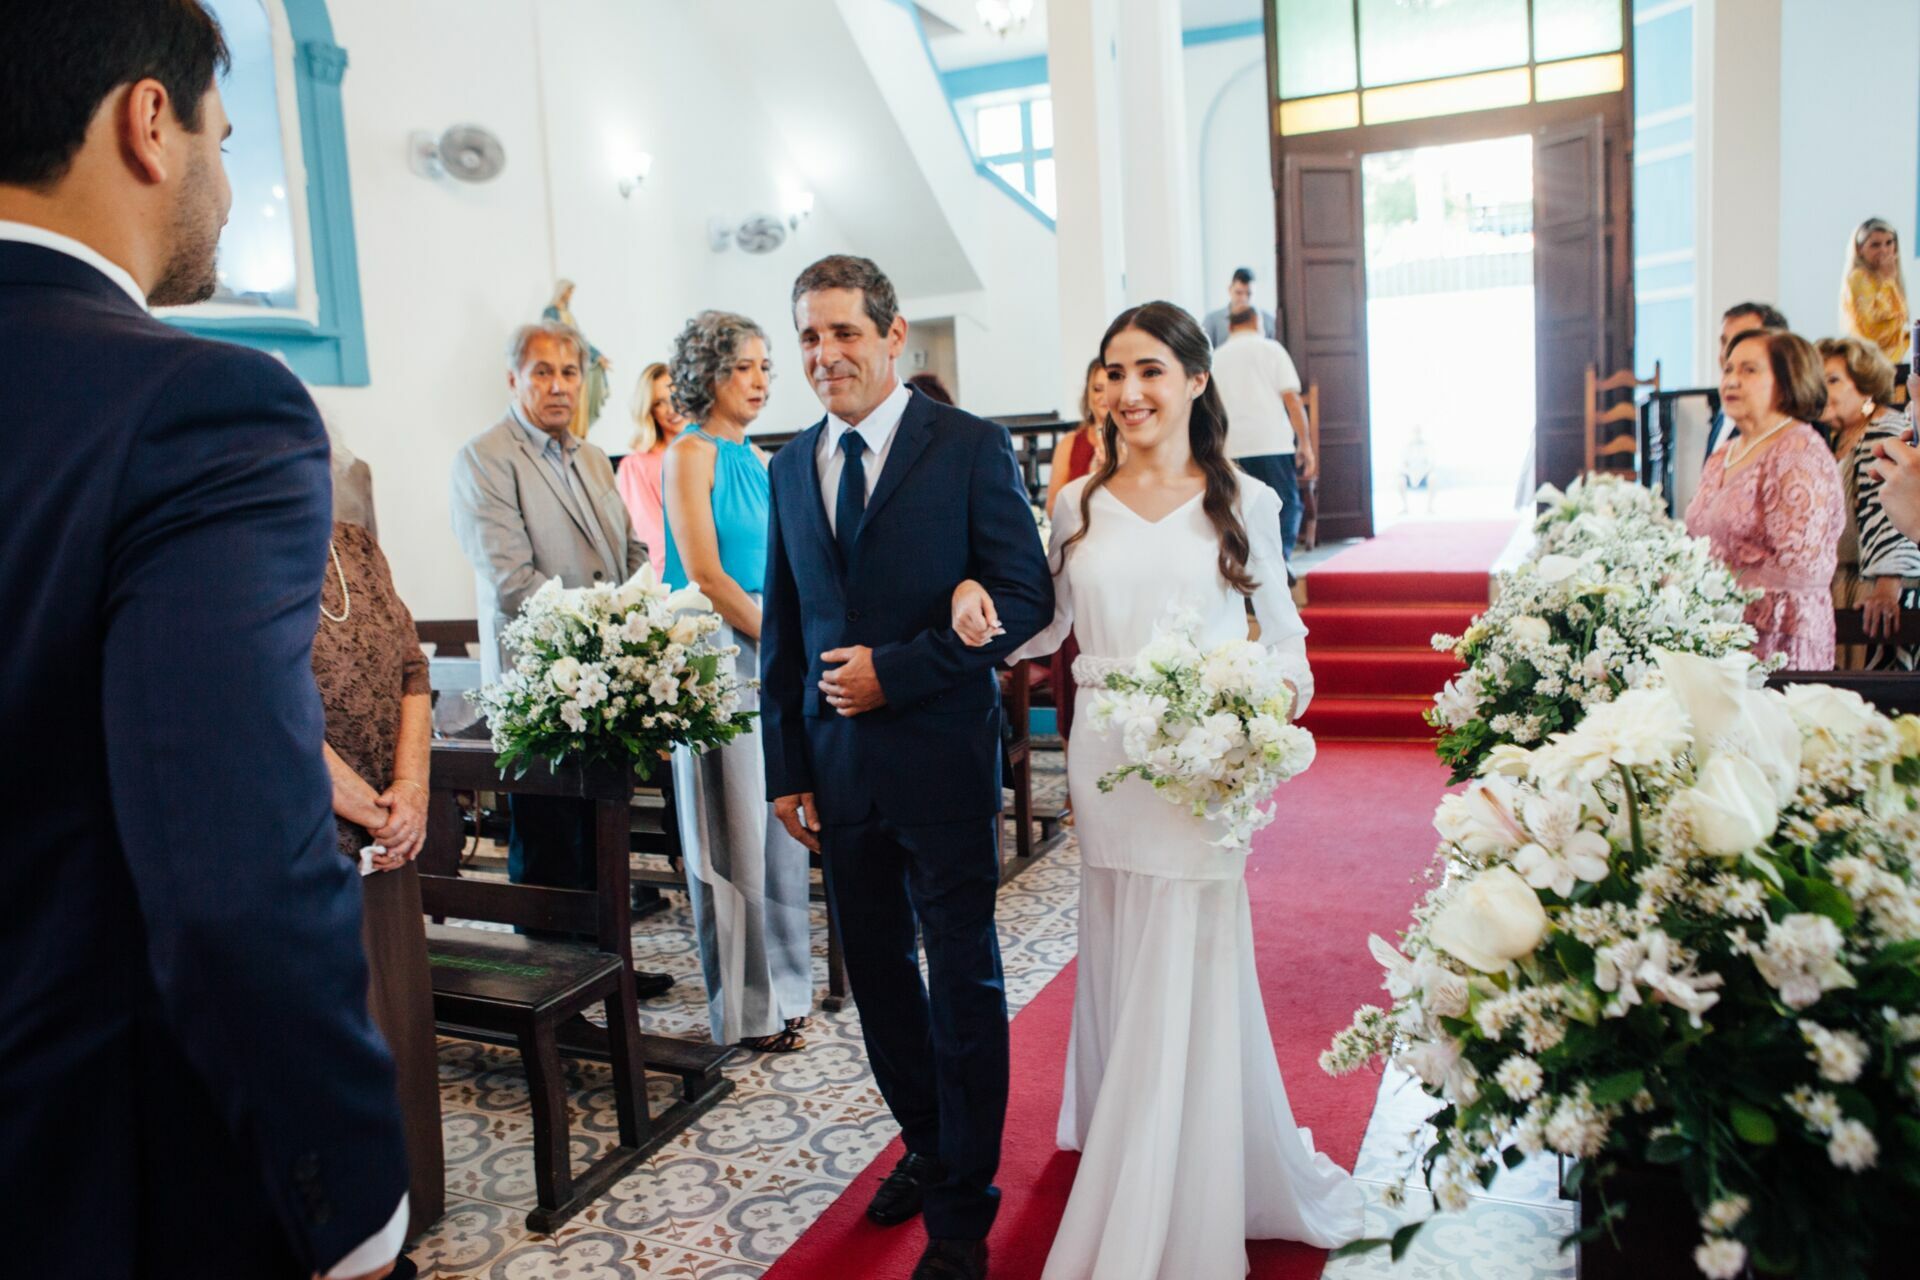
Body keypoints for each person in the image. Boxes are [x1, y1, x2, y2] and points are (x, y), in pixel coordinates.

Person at [0, 3, 408, 1275]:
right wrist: (349, 1197)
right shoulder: (201, 410)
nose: (230, 191)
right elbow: (235, 872)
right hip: (105, 1179)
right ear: (149, 122)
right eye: (228, 143)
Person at [951, 301, 1364, 1280]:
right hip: (1107, 751)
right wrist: (974, 609)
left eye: (1150, 370)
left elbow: (1290, 649)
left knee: (1193, 938)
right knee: (1127, 932)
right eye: (1114, 371)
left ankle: (1182, 1172)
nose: (1129, 391)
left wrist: (1255, 715)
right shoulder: (1075, 503)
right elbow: (1046, 628)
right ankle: (1133, 1130)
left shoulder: (1245, 504)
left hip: (1205, 760)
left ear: (1195, 380)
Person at [760, 255, 1053, 1280]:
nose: (824, 352)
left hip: (938, 760)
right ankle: (929, 1146)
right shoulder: (790, 464)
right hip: (836, 776)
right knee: (879, 979)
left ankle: (965, 1214)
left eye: (844, 331)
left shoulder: (969, 448)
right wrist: (785, 766)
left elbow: (1024, 597)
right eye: (808, 335)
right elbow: (785, 630)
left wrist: (902, 670)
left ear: (893, 336)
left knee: (963, 979)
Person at [448, 322, 673, 996]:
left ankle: (610, 971)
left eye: (569, 372)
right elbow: (513, 578)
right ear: (513, 379)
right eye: (541, 372)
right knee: (550, 845)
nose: (557, 385)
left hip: (605, 683)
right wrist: (607, 631)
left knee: (599, 837)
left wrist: (632, 622)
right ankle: (553, 988)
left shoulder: (590, 455)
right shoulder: (485, 458)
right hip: (540, 685)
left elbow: (633, 553)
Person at [659, 310, 813, 1053]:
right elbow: (706, 574)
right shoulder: (691, 455)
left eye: (764, 367)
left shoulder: (754, 457)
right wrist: (781, 639)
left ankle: (788, 989)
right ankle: (748, 1009)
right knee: (732, 841)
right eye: (743, 366)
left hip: (767, 645)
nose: (758, 381)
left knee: (781, 830)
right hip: (718, 654)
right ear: (709, 373)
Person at [311, 519, 444, 1259]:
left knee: (398, 1020)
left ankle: (414, 1204)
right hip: (309, 839)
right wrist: (370, 809)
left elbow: (411, 673)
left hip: (393, 835)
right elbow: (267, 700)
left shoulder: (355, 543)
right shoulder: (240, 551)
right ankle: (359, 1237)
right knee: (346, 1031)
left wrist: (411, 789)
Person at [1685, 329, 1845, 668]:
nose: (1731, 380)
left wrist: (1719, 590)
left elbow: (1801, 566)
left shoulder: (1799, 448)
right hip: (1721, 635)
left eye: (1749, 370)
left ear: (1787, 381)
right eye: (1728, 369)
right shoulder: (1723, 455)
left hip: (1781, 639)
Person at [1818, 337, 1920, 669]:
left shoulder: (1882, 428)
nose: (1823, 390)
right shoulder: (1840, 436)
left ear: (1864, 385)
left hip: (1873, 593)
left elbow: (1892, 508)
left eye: (1833, 380)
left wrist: (1887, 586)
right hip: (1843, 585)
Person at [1042, 357, 1111, 748]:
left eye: (1109, 386)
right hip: (1078, 569)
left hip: (1118, 573)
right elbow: (1054, 506)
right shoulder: (1072, 442)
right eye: (1096, 389)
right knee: (1072, 674)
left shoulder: (1138, 443)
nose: (1103, 398)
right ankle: (1075, 773)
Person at [1212, 304, 1316, 557]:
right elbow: (1292, 401)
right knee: (1285, 503)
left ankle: (1244, 565)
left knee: (1238, 508)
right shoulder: (1272, 350)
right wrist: (1305, 444)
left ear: (1230, 327)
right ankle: (1280, 561)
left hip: (1230, 446)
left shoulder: (1215, 357)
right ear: (1258, 323)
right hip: (1272, 443)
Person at [615, 360, 686, 566]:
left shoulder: (714, 451)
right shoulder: (635, 466)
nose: (671, 409)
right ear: (649, 411)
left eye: (675, 395)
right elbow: (653, 539)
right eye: (659, 403)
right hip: (675, 581)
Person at [1702, 301, 1789, 459]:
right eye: (1724, 342)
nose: (1728, 352)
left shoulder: (1792, 434)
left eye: (1741, 341)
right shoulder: (1723, 414)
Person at [543, 277, 613, 435]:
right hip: (562, 362)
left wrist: (597, 356)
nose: (570, 295)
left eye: (572, 292)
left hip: (574, 362)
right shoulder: (551, 312)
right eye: (569, 291)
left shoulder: (568, 314)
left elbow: (579, 340)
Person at [1839, 217, 1909, 364]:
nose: (1884, 250)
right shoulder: (1858, 277)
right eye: (1875, 245)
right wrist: (1887, 282)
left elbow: (1899, 321)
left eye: (1889, 243)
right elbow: (1872, 330)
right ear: (1860, 249)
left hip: (1892, 365)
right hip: (1870, 367)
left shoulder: (1889, 278)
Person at [1202, 265, 1277, 348]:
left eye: (1249, 294)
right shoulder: (1212, 320)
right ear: (1230, 289)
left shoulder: (1269, 320)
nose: (1243, 299)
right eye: (1239, 293)